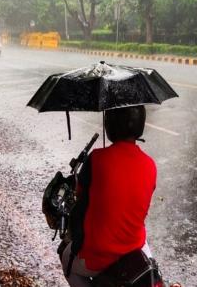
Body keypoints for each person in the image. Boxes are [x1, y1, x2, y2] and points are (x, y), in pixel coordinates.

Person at [61, 105, 157, 287]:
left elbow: (81, 196)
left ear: (110, 125)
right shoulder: (151, 164)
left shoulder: (96, 159)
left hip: (99, 255)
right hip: (136, 246)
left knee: (67, 261)